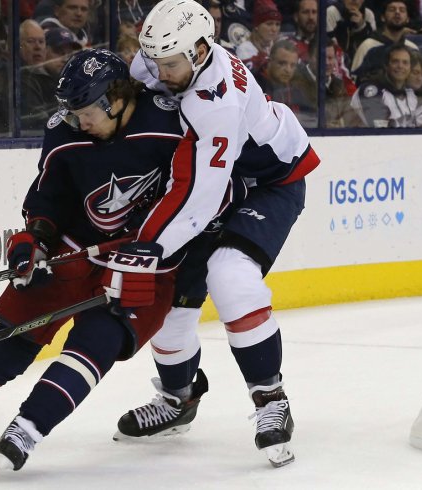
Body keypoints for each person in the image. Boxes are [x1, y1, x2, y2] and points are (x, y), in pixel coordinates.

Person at [0, 48, 222, 475]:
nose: (78, 121)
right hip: (74, 250)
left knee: (97, 340)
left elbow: (207, 193)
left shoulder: (172, 125)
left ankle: (26, 430)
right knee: (11, 339)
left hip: (144, 261)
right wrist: (34, 242)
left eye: (86, 112)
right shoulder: (66, 132)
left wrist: (182, 262)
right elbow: (47, 199)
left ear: (115, 100)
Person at [124, 0, 320, 467]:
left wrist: (144, 251)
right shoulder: (160, 57)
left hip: (269, 184)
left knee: (229, 274)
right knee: (168, 297)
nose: (159, 72)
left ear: (199, 50)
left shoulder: (219, 103)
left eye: (169, 65)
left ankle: (270, 399)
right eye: (154, 62)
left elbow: (199, 203)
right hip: (221, 182)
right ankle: (178, 399)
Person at [20, 27, 82, 132]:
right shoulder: (30, 80)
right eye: (59, 52)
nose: (65, 58)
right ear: (45, 51)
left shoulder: (72, 83)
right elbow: (39, 122)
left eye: (69, 54)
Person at [350, 44, 417, 127]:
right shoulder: (371, 89)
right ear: (386, 65)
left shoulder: (412, 92)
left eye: (405, 62)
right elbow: (380, 131)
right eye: (395, 61)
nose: (400, 66)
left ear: (410, 67)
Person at [350, 0, 419, 80]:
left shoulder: (413, 48)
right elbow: (353, 80)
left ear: (408, 19)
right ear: (383, 17)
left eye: (402, 10)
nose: (397, 12)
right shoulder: (368, 46)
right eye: (392, 10)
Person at [254, 39, 314, 126]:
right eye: (282, 63)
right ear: (270, 61)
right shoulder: (255, 86)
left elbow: (310, 117)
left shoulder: (298, 87)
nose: (288, 70)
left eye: (292, 65)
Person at [235, 0, 283, 74]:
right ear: (257, 26)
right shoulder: (244, 49)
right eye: (269, 24)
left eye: (277, 24)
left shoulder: (278, 47)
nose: (274, 29)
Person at [326, 0, 376, 66]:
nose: (355, 0)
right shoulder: (331, 12)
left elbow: (372, 50)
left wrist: (361, 27)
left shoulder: (368, 15)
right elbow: (331, 47)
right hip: (336, 65)